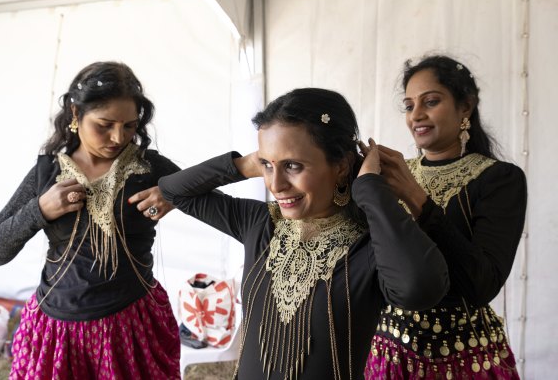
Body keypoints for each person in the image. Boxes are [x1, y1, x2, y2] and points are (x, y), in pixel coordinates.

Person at [158, 88, 449, 379]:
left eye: (293, 166)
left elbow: (419, 290)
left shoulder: (370, 246)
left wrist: (370, 188)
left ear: (341, 165)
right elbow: (174, 190)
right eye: (268, 165)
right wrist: (246, 164)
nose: (275, 184)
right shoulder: (260, 223)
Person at [0, 61, 181, 379]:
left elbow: (213, 199)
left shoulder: (150, 169)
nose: (118, 137)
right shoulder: (48, 174)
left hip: (130, 325)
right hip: (56, 332)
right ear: (75, 113)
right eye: (105, 124)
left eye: (129, 126)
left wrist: (177, 191)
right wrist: (39, 211)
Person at [364, 55, 527, 379]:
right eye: (409, 106)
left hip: (465, 358)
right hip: (388, 355)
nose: (416, 115)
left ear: (465, 107)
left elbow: (482, 283)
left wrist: (416, 197)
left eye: (431, 101)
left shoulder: (499, 179)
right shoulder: (391, 175)